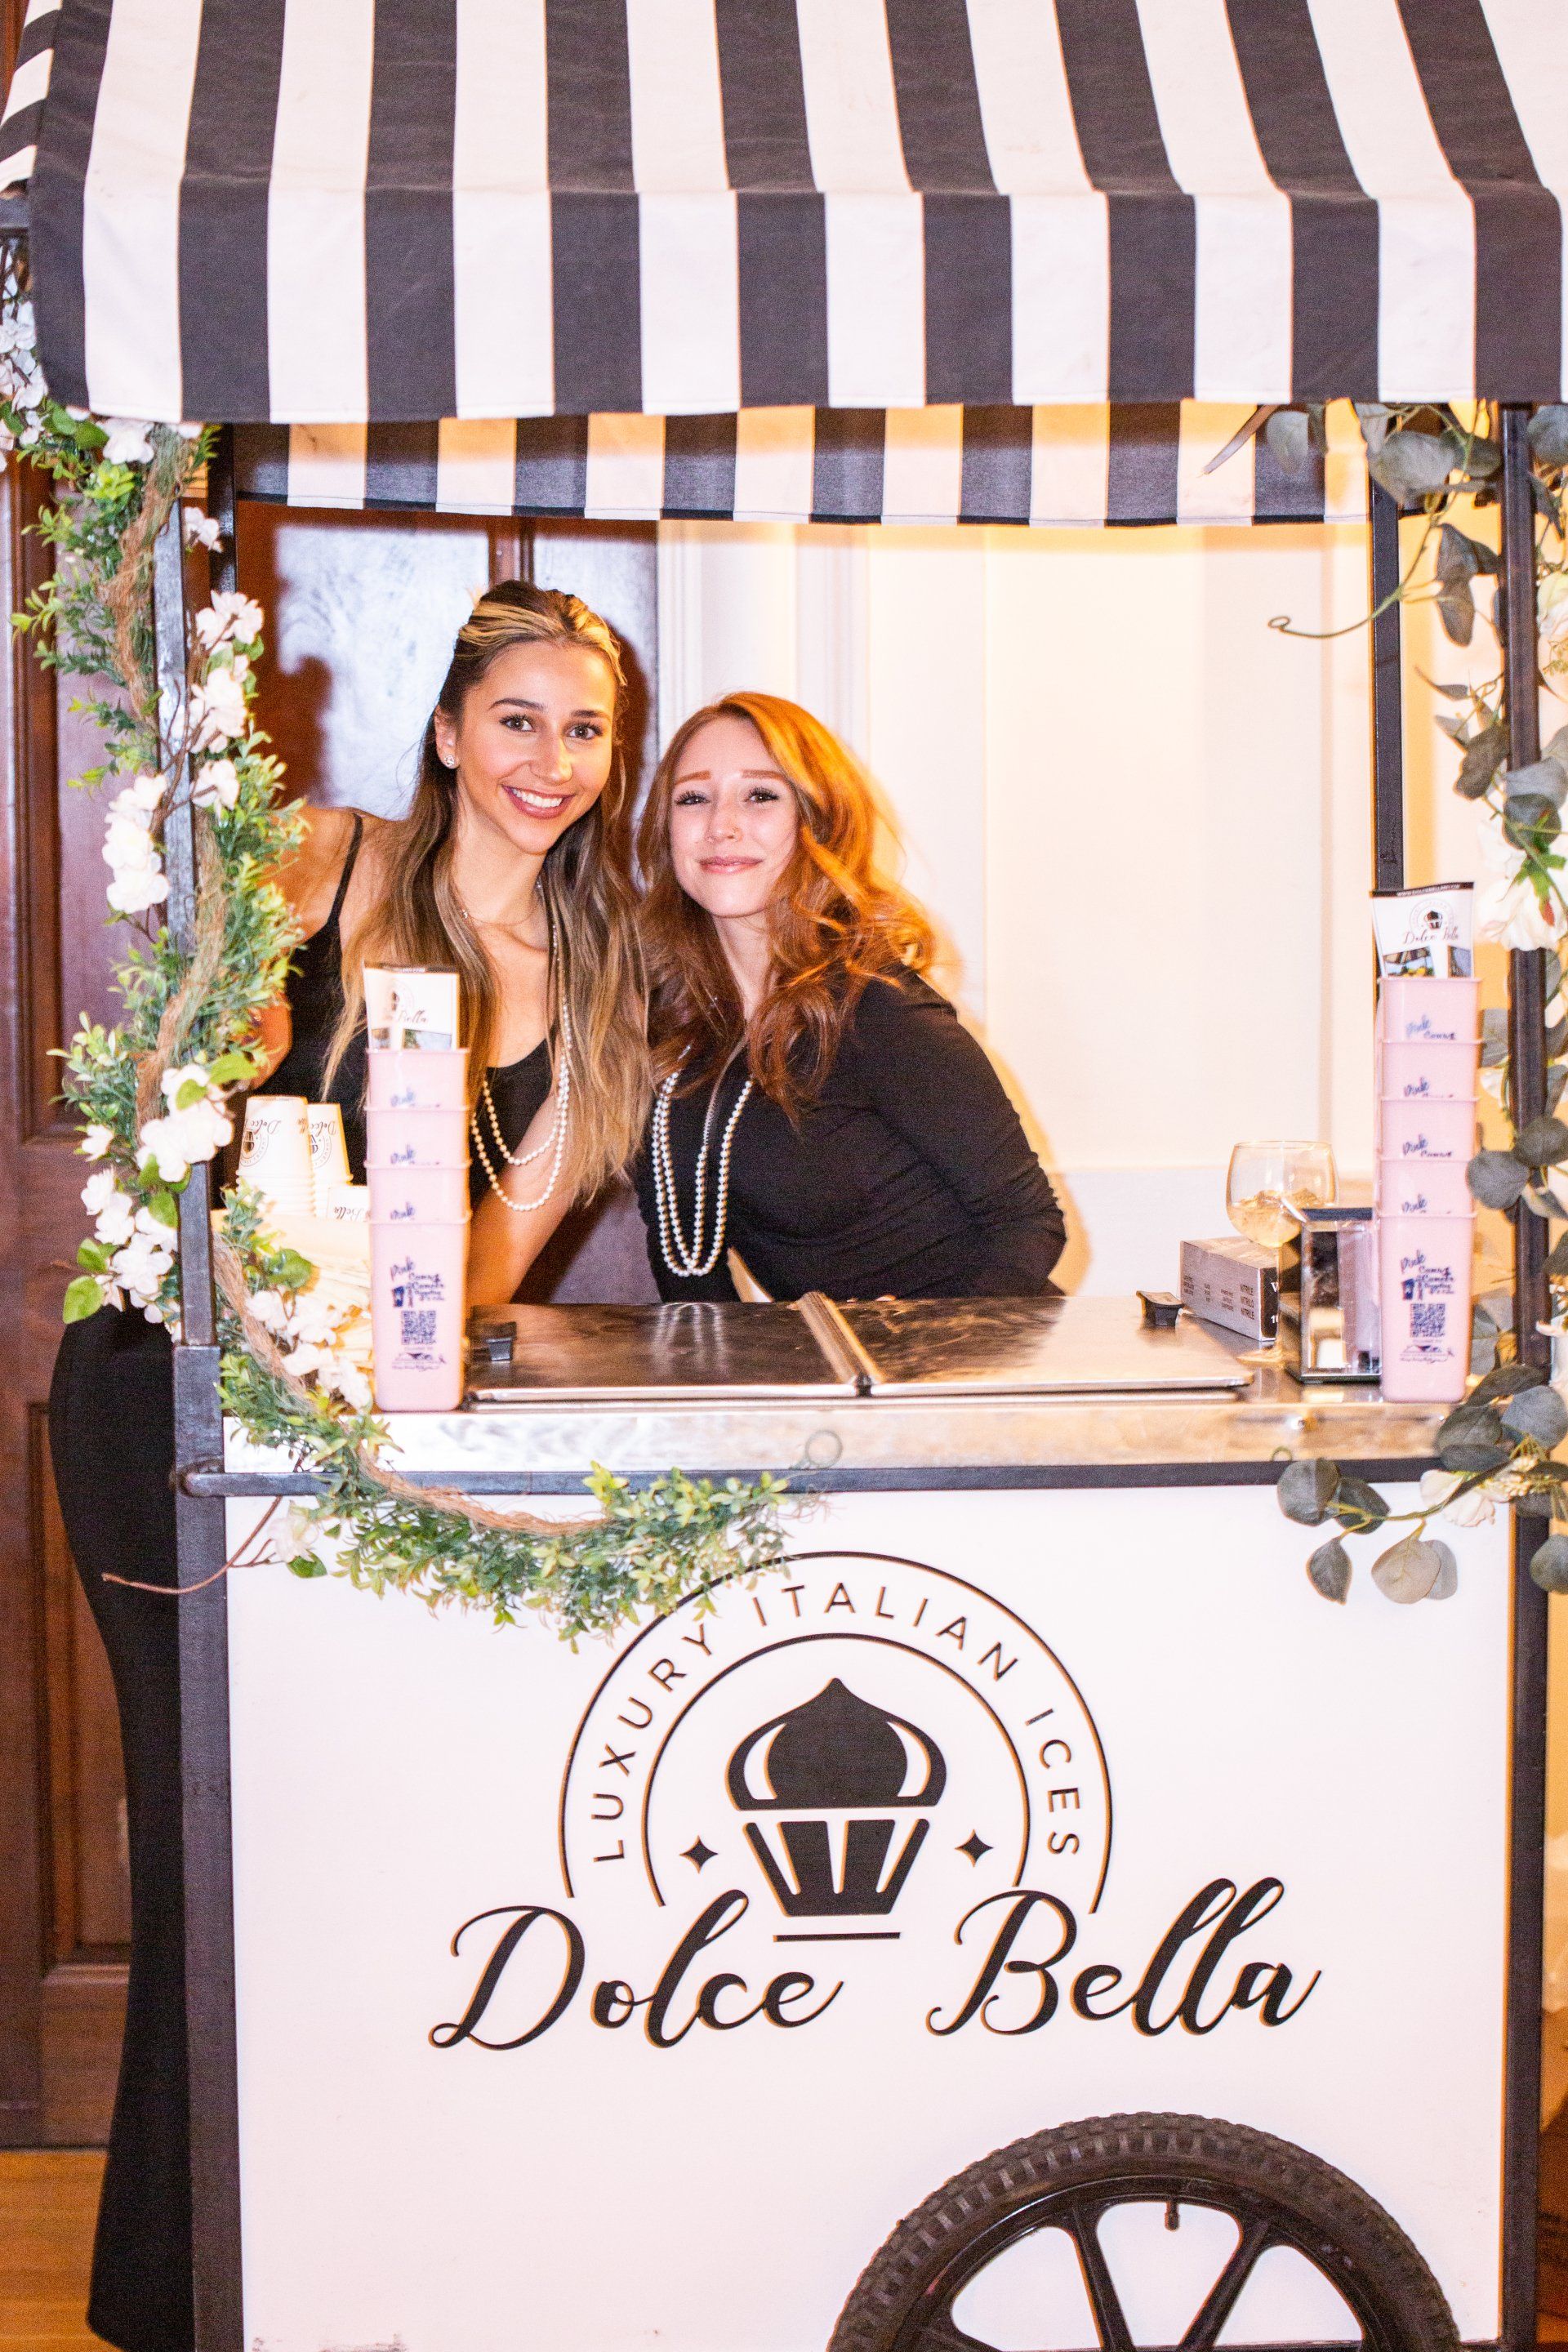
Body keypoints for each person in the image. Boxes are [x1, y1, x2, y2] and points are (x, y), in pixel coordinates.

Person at [49, 581, 648, 2352]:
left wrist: (371, 1354)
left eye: (585, 730)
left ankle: (349, 2263)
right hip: (168, 1394)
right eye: (518, 719)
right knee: (203, 1832)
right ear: (450, 730)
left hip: (357, 1440)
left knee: (342, 1837)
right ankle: (169, 2293)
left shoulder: (599, 984)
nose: (550, 759)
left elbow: (482, 1269)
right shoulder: (320, 860)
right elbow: (180, 1121)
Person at [630, 691, 1067, 1303]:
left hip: (970, 1352)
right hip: (826, 1358)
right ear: (664, 828)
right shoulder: (667, 1029)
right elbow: (686, 1268)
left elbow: (1028, 1224)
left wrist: (919, 1343)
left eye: (761, 795)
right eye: (693, 798)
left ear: (819, 822)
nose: (721, 825)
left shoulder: (878, 1009)